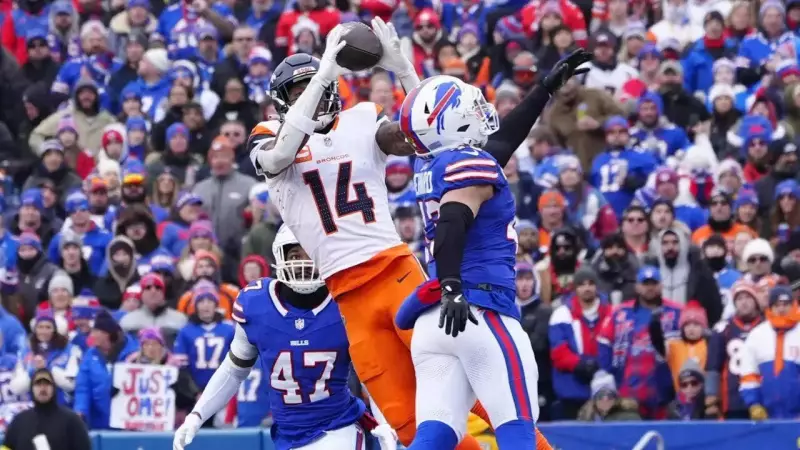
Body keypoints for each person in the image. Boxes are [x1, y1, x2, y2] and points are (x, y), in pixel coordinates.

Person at [248, 15, 589, 448]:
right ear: (282, 102)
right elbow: (279, 156)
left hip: (395, 273)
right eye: (296, 93)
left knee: (485, 400)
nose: (308, 99)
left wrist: (404, 69)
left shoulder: (361, 119)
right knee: (411, 423)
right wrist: (323, 74)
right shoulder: (269, 134)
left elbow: (429, 130)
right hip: (347, 296)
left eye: (312, 88)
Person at [393, 75, 538, 450]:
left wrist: (545, 90)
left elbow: (503, 143)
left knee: (436, 434)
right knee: (517, 426)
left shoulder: (432, 164)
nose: (478, 112)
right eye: (468, 109)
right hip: (478, 308)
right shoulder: (469, 165)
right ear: (451, 122)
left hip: (433, 324)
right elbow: (452, 222)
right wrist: (453, 288)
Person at [173, 225, 397, 450]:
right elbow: (234, 370)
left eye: (310, 253)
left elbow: (372, 372)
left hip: (338, 426)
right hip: (287, 436)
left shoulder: (345, 303)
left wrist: (386, 422)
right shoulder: (257, 303)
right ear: (280, 257)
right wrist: (196, 416)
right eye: (295, 255)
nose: (303, 263)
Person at [2, 368, 91, 450]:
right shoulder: (19, 422)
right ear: (32, 388)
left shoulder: (72, 421)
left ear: (54, 388)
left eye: (47, 384)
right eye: (38, 384)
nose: (42, 388)